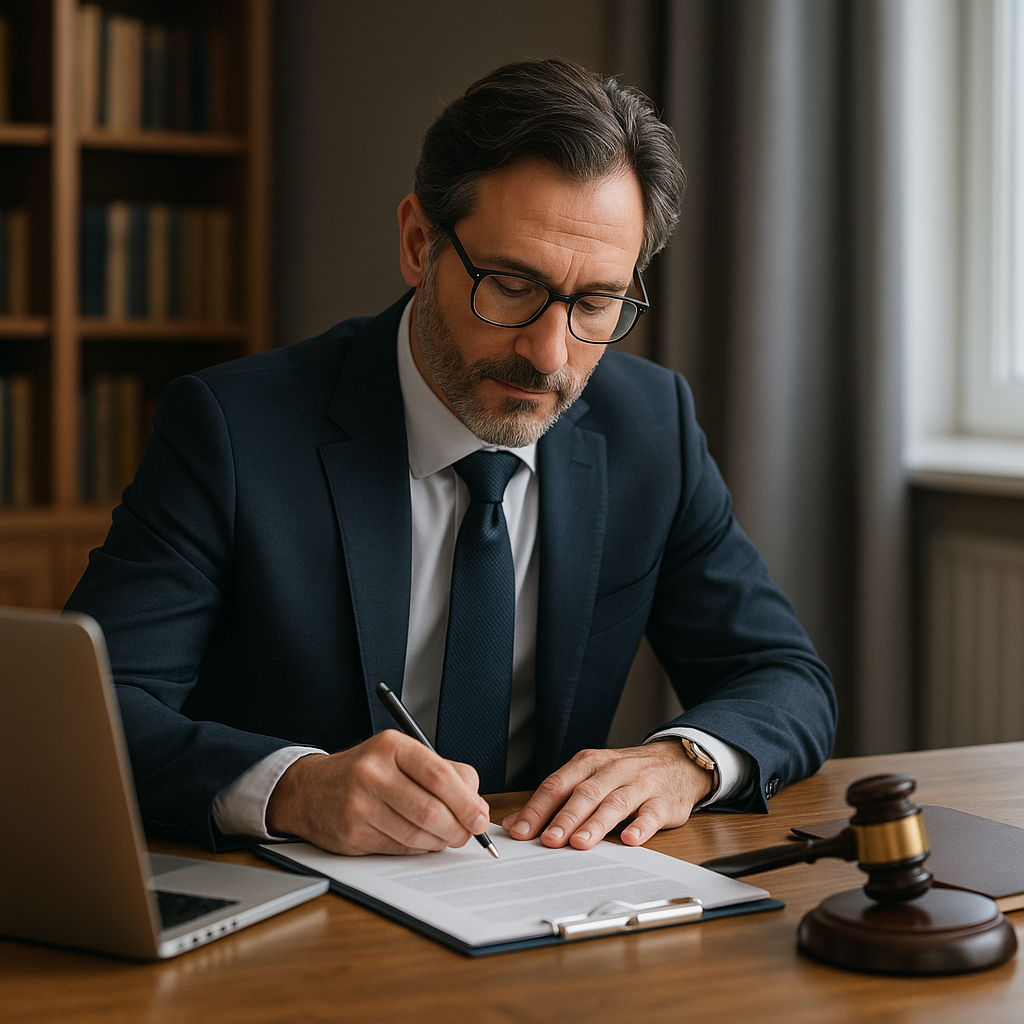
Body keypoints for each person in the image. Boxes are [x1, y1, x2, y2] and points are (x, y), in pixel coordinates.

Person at [66, 57, 836, 858]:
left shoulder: (652, 428)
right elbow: (94, 709)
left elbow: (784, 677)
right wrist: (295, 787)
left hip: (541, 900)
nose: (549, 353)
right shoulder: (232, 430)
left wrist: (684, 764)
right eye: (509, 284)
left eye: (597, 303)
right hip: (293, 906)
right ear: (416, 243)